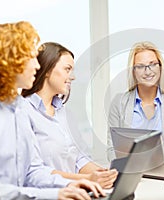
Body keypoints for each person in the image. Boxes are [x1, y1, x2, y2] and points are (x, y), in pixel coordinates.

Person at [0, 21, 105, 200]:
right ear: (10, 61)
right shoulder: (14, 111)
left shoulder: (18, 109)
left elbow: (32, 171)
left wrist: (69, 185)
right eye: (30, 58)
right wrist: (55, 193)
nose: (37, 66)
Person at [21, 42, 118, 189]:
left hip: (75, 193)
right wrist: (86, 179)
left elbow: (79, 158)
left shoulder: (65, 114)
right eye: (67, 69)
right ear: (47, 69)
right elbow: (33, 172)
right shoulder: (23, 113)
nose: (72, 77)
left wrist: (103, 174)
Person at [107, 41, 164, 165]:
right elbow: (112, 149)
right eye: (140, 66)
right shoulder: (118, 103)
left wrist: (150, 163)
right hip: (130, 173)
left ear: (160, 67)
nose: (148, 71)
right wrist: (130, 165)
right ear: (133, 71)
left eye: (153, 64)